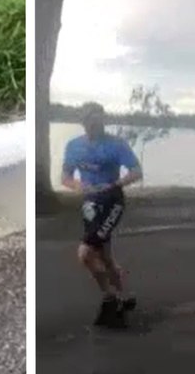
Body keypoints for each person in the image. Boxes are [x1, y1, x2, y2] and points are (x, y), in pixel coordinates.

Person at [61, 102, 143, 327]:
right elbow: (65, 178)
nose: (94, 126)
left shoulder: (117, 144)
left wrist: (115, 184)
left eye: (98, 121)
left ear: (104, 121)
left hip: (112, 203)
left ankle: (110, 296)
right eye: (89, 122)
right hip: (90, 205)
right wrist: (81, 187)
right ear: (83, 122)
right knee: (105, 255)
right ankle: (122, 295)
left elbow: (137, 171)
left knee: (85, 253)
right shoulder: (74, 146)